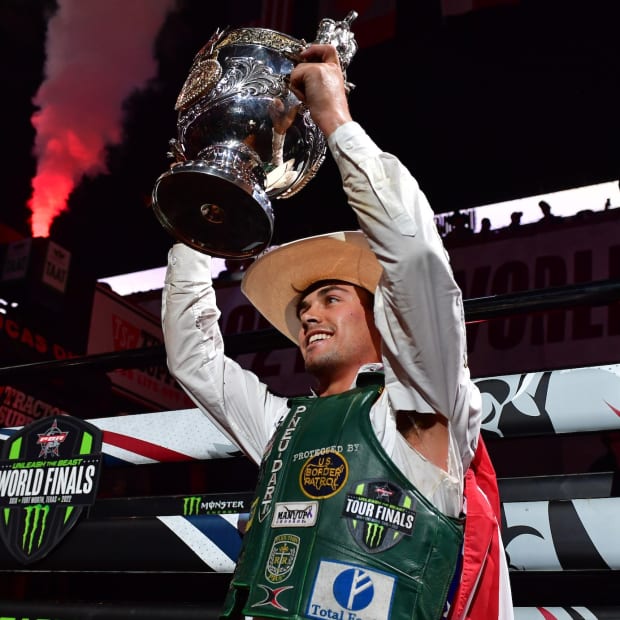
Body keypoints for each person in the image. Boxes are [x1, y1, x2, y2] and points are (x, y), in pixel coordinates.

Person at [162, 43, 513, 620]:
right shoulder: (282, 427)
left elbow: (415, 256)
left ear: (383, 318)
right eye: (304, 304)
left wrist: (335, 121)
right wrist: (202, 213)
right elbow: (193, 358)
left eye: (331, 297)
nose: (308, 313)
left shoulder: (422, 404)